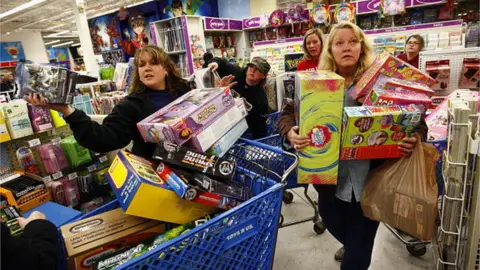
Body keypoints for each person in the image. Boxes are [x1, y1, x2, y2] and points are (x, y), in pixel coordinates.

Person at [279, 22, 426, 270]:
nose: (346, 47)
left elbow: (416, 119)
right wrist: (290, 132)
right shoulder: (317, 82)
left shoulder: (381, 82)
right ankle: (353, 246)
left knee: (357, 255)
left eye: (353, 42)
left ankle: (355, 252)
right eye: (339, 43)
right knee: (341, 230)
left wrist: (415, 136)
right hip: (329, 182)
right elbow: (288, 112)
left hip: (372, 182)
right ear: (330, 50)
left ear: (362, 46)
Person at [26, 45, 190, 159]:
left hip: (194, 164)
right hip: (160, 175)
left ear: (166, 69)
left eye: (153, 63)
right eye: (141, 65)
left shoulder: (185, 91)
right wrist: (68, 111)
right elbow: (104, 138)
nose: (147, 68)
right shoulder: (131, 105)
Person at [208, 56, 270, 138]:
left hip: (238, 130)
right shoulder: (235, 72)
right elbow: (218, 61)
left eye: (258, 69)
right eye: (251, 66)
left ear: (264, 75)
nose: (253, 71)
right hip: (218, 120)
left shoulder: (261, 99)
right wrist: (221, 91)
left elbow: (259, 128)